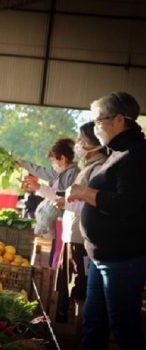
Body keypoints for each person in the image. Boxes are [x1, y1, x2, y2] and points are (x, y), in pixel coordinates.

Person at [66, 92, 146, 350]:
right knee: (94, 324)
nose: (95, 126)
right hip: (103, 257)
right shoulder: (117, 152)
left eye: (99, 120)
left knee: (124, 328)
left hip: (123, 260)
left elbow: (127, 204)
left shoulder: (136, 155)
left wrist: (84, 193)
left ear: (119, 119)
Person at [53, 121, 107, 328]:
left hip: (80, 238)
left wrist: (66, 204)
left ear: (92, 143)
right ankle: (79, 330)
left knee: (81, 292)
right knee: (75, 290)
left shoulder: (99, 168)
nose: (76, 144)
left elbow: (89, 205)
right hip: (72, 235)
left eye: (79, 140)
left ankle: (80, 332)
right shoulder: (89, 168)